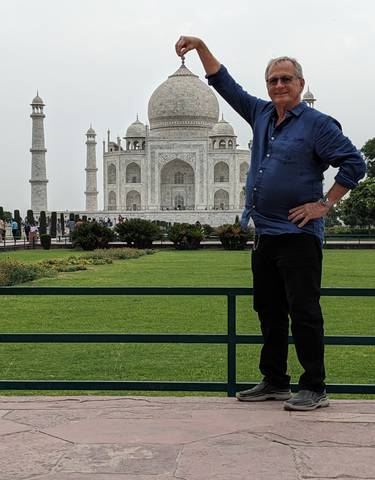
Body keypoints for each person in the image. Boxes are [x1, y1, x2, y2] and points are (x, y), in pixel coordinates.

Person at [175, 36, 366, 411]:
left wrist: (323, 204)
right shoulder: (261, 114)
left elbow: (354, 164)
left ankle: (315, 386)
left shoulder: (318, 125)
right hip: (265, 234)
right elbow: (224, 84)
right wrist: (200, 47)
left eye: (286, 79)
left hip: (298, 234)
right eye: (273, 80)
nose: (279, 85)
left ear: (300, 84)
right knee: (269, 310)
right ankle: (275, 380)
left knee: (304, 311)